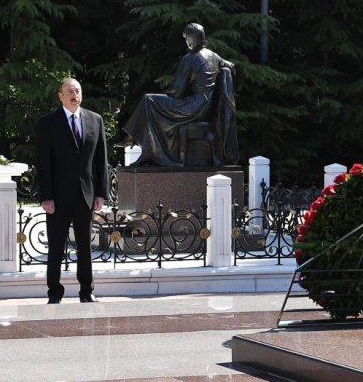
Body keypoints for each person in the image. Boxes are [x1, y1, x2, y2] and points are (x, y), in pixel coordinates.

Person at [117, 23, 238, 167]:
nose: (187, 42)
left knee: (149, 100)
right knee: (153, 104)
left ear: (192, 39)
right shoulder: (214, 56)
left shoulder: (190, 58)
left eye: (187, 38)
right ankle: (145, 151)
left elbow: (176, 92)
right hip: (206, 108)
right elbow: (230, 66)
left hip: (193, 106)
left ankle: (139, 145)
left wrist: (170, 94)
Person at [35, 78, 109, 304]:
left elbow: (101, 161)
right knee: (56, 245)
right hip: (57, 196)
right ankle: (54, 293)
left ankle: (87, 291)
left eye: (77, 91)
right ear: (60, 96)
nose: (74, 95)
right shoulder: (48, 122)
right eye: (69, 91)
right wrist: (46, 196)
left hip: (85, 195)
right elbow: (43, 162)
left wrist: (100, 193)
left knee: (86, 246)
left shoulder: (95, 120)